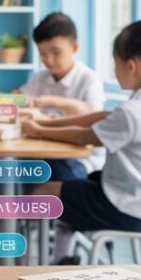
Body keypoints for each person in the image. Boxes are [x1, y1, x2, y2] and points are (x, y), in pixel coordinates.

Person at [21, 19, 141, 264]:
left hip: (131, 209)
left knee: (43, 193)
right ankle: (64, 257)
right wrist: (44, 125)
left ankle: (46, 264)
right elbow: (100, 116)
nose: (114, 70)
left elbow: (85, 135)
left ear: (131, 66)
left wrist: (38, 130)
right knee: (70, 187)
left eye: (115, 63)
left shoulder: (135, 112)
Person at [17, 12, 105, 179]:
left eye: (56, 52)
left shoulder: (89, 78)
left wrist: (54, 102)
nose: (48, 60)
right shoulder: (39, 78)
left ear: (74, 47)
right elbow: (20, 98)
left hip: (82, 159)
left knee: (53, 171)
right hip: (45, 152)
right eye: (42, 54)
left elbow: (92, 115)